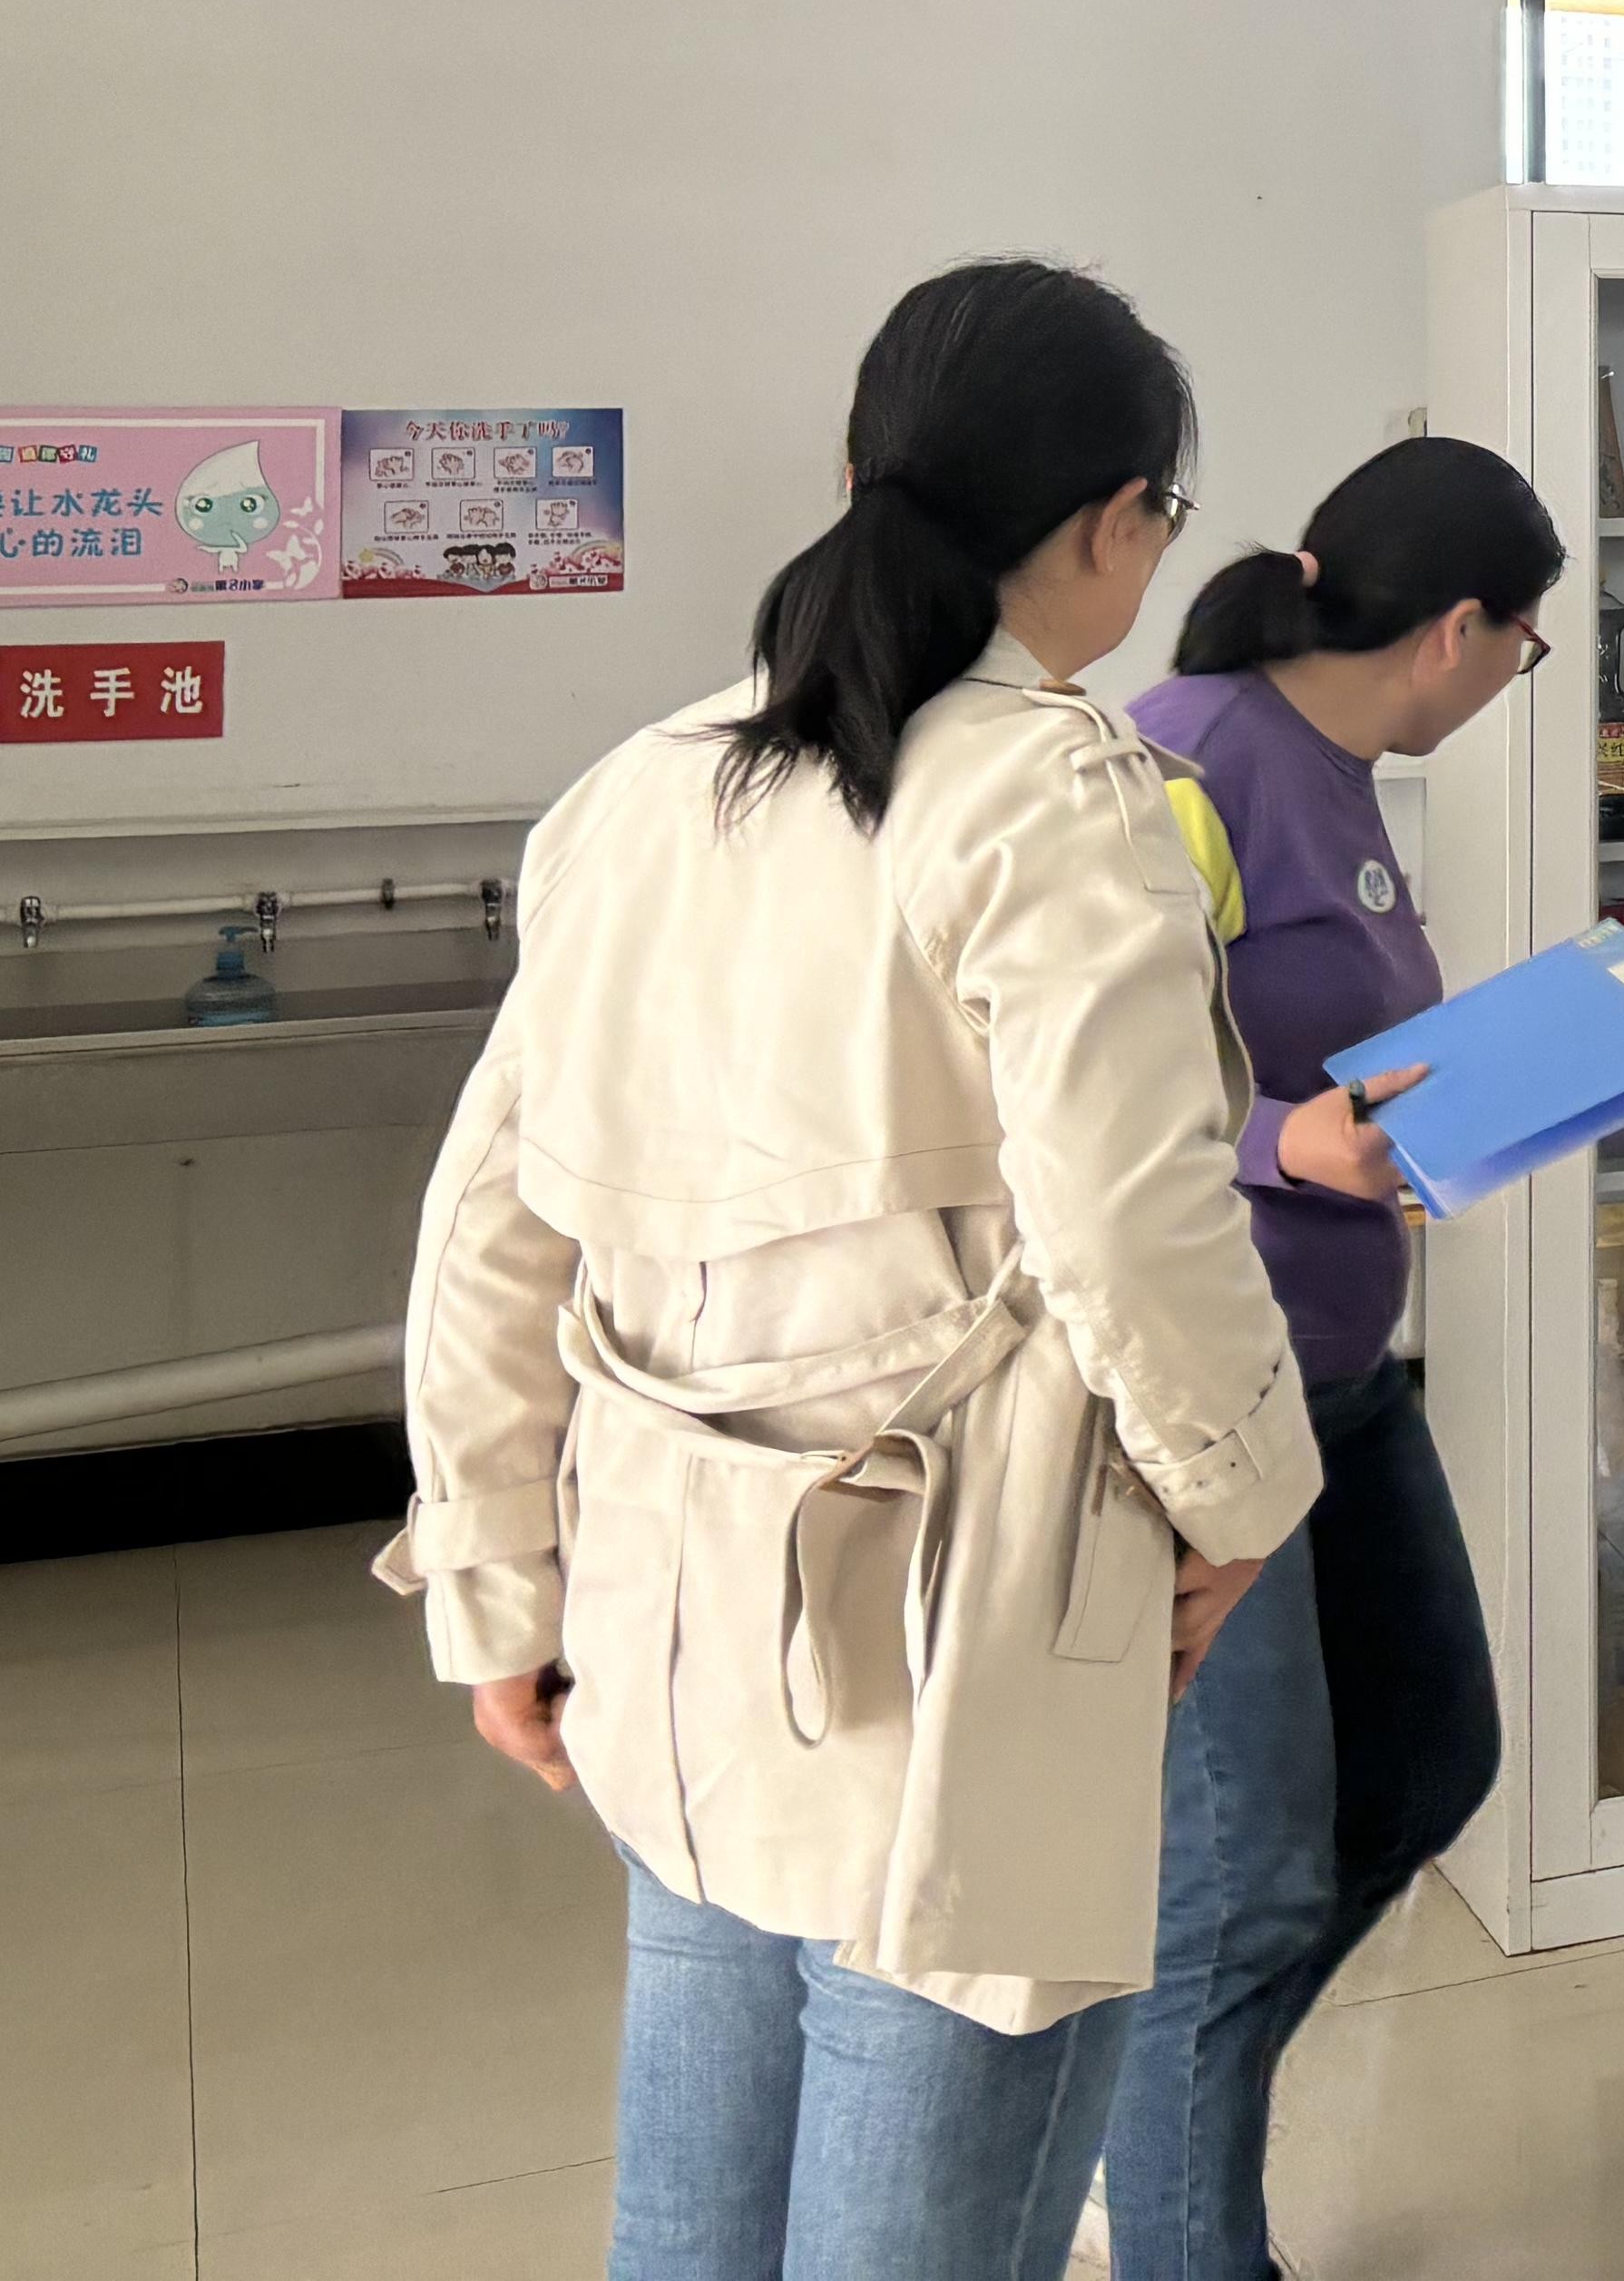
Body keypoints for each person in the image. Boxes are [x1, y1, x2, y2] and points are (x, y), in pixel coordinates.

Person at [389, 259, 1322, 2281]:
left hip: (664, 1609)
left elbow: (491, 1228)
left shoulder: (640, 791)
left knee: (693, 2220)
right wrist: (1248, 1496)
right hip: (964, 1627)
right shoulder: (1056, 789)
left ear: (854, 471)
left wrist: (492, 1579)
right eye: (1162, 517)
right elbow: (1138, 1225)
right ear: (1114, 523)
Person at [1083, 438, 1560, 2276]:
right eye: (1524, 648)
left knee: (1428, 1764)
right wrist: (1297, 1143)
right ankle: (1187, 2219)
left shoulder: (1336, 770)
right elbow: (1064, 1093)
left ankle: (1161, 2111)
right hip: (1218, 1388)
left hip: (1348, 1378)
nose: (1513, 679)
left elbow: (1308, 1041)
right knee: (1241, 1883)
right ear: (1458, 631)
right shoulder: (1179, 761)